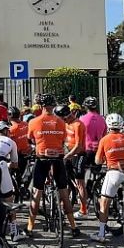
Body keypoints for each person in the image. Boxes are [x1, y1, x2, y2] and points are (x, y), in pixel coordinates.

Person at [91, 114, 124, 244]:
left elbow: (97, 161)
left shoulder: (104, 140)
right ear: (121, 125)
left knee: (104, 203)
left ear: (108, 126)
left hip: (113, 172)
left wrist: (106, 157)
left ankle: (102, 234)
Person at [26, 94, 70, 237]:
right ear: (54, 106)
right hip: (57, 158)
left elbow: (30, 139)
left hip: (42, 158)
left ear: (41, 106)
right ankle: (74, 226)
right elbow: (64, 140)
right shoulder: (61, 122)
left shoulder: (33, 121)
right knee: (64, 192)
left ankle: (30, 227)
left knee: (37, 192)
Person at [76, 96, 106, 219]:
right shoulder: (102, 119)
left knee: (79, 179)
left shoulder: (82, 119)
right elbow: (104, 135)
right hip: (98, 150)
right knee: (96, 174)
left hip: (86, 150)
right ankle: (93, 188)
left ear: (85, 107)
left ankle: (83, 206)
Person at [56, 104, 84, 235]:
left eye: (64, 119)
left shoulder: (78, 125)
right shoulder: (65, 124)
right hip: (67, 156)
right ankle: (63, 207)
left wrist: (67, 156)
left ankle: (84, 207)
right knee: (65, 183)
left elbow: (78, 145)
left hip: (78, 156)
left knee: (79, 183)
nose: (63, 122)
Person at [8, 106, 32, 189]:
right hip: (28, 152)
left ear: (10, 116)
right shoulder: (26, 124)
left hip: (18, 155)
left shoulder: (11, 130)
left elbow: (8, 144)